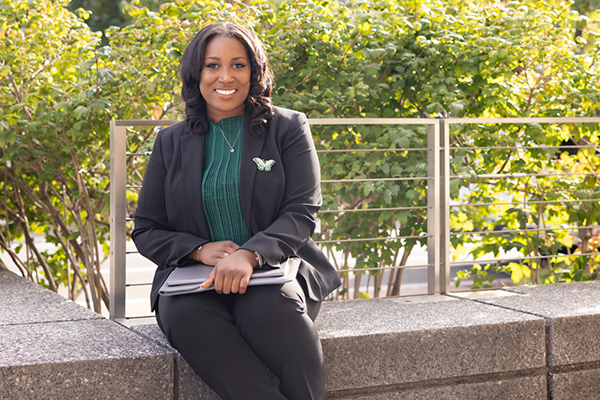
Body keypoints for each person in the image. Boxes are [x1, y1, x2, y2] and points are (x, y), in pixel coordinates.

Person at [132, 22, 341, 400]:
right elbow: (146, 228)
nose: (224, 77)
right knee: (187, 317)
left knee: (269, 312)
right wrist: (198, 250)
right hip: (194, 282)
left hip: (274, 270)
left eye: (238, 65)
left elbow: (302, 210)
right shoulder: (170, 142)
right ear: (196, 73)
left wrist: (248, 254)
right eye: (212, 65)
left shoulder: (287, 127)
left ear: (255, 71)